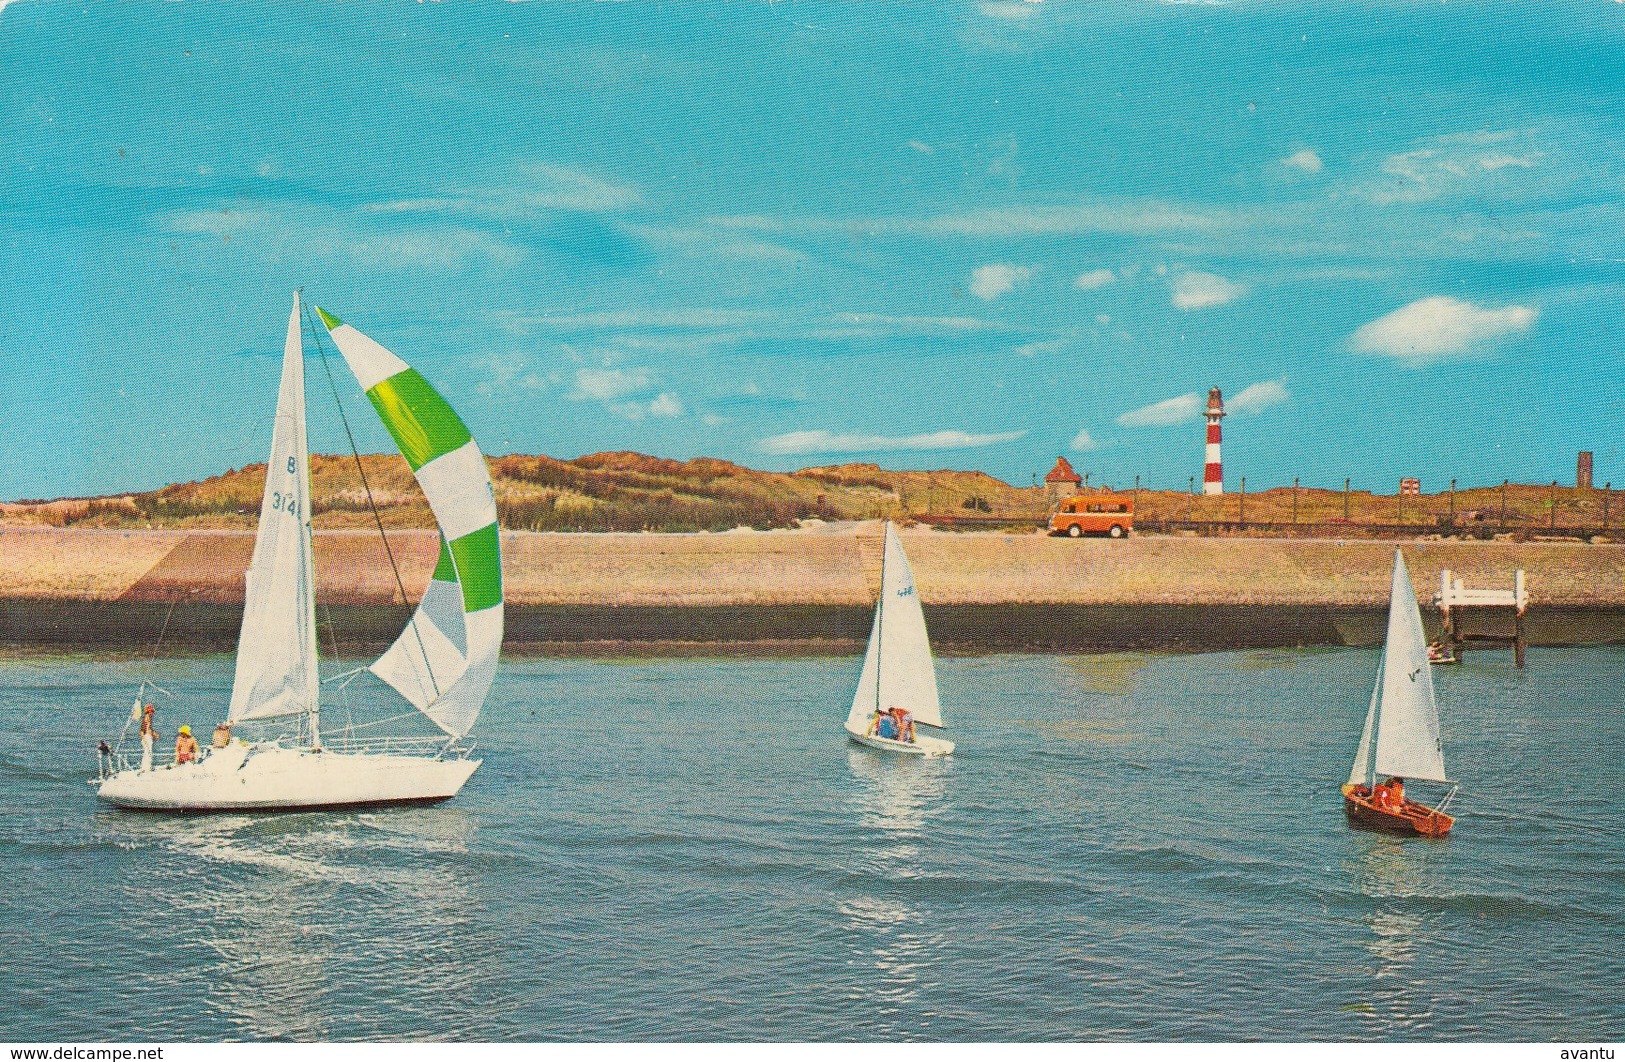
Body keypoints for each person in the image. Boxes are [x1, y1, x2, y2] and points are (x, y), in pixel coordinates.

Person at [139, 703, 157, 772]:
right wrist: (153, 734)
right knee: (148, 753)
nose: (152, 713)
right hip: (147, 737)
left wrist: (153, 734)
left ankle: (145, 767)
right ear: (149, 711)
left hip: (146, 737)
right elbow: (145, 729)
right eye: (152, 711)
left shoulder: (146, 718)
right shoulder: (147, 718)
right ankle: (146, 768)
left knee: (147, 752)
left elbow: (145, 729)